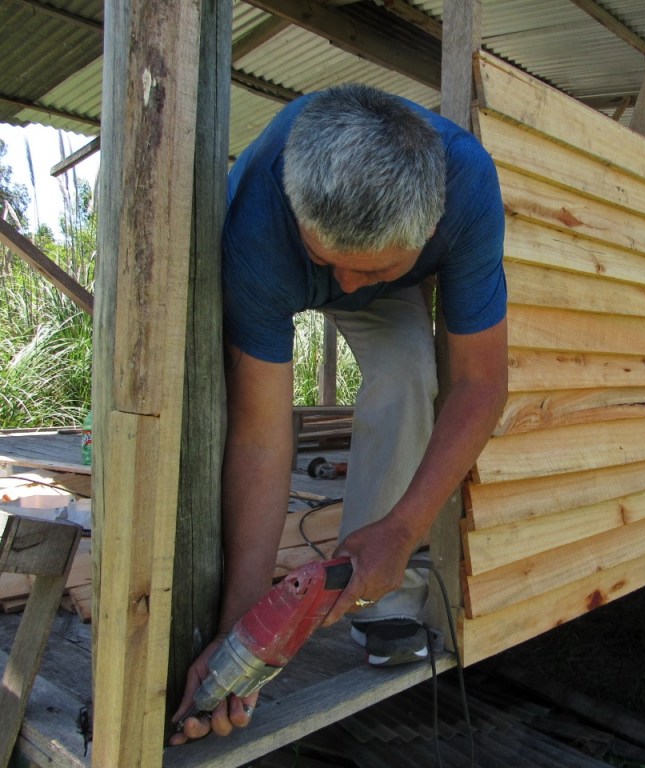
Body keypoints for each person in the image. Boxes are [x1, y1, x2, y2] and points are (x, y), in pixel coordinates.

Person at [170, 84, 508, 745]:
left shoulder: (468, 188)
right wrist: (243, 629)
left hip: (379, 269)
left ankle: (381, 600)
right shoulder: (257, 221)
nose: (346, 289)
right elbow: (262, 438)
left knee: (409, 369)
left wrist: (403, 529)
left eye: (369, 270)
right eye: (330, 264)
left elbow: (480, 383)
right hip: (280, 258)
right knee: (220, 403)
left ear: (431, 228)